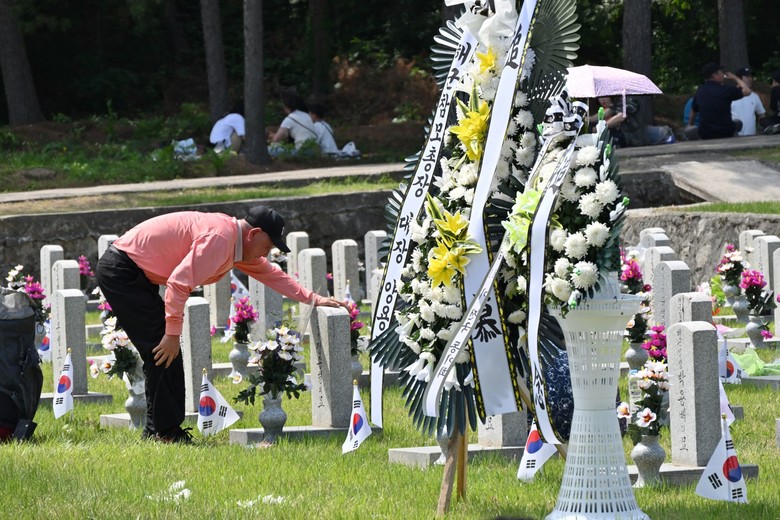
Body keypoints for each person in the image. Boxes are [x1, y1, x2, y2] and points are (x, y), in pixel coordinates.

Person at [95, 205, 347, 443]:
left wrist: (313, 298)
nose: (267, 253)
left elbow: (271, 274)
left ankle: (158, 430)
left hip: (131, 270)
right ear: (254, 234)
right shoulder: (220, 239)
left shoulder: (234, 242)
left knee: (161, 352)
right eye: (268, 245)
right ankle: (164, 431)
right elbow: (178, 284)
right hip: (122, 270)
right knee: (163, 350)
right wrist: (172, 334)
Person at [688, 62, 751, 140]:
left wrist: (690, 124)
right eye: (721, 72)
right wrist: (735, 78)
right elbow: (747, 91)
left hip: (706, 133)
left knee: (689, 130)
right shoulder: (726, 89)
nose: (723, 75)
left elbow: (693, 110)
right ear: (714, 75)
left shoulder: (700, 91)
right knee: (738, 123)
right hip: (726, 131)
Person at [595, 96, 674, 148]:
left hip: (636, 136)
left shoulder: (631, 100)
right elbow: (608, 111)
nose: (602, 99)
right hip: (628, 135)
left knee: (608, 142)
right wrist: (589, 119)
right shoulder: (619, 100)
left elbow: (621, 116)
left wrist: (601, 126)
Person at [269, 92, 318, 156]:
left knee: (268, 150)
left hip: (302, 151)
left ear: (286, 106)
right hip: (314, 150)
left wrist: (273, 136)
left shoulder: (290, 118)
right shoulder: (306, 115)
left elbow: (276, 139)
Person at [730, 67, 766, 136]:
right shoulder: (730, 94)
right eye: (747, 77)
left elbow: (761, 114)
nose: (750, 79)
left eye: (751, 76)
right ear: (739, 79)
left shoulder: (755, 96)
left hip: (751, 136)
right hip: (734, 136)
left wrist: (762, 127)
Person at [760, 69, 780, 134]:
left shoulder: (775, 90)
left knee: (763, 121)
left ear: (774, 81)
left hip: (778, 118)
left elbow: (773, 107)